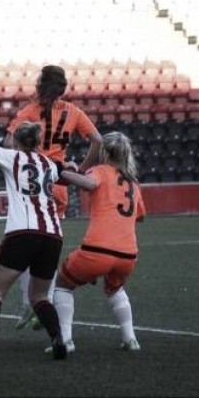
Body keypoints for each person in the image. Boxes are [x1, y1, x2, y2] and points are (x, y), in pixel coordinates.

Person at [5, 65, 103, 329]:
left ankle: (31, 303)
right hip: (58, 183)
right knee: (47, 246)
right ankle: (43, 301)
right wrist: (80, 169)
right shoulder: (73, 112)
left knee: (26, 244)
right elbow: (98, 140)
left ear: (39, 85)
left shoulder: (29, 112)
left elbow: (7, 144)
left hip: (32, 183)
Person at [0, 105, 67, 362]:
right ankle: (58, 338)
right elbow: (67, 174)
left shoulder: (11, 157)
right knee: (41, 296)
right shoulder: (49, 164)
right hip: (52, 234)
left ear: (17, 141)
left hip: (21, 232)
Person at [52, 132, 146, 353]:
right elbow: (140, 216)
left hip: (97, 249)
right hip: (128, 253)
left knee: (63, 285)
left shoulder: (101, 171)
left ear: (103, 152)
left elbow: (89, 183)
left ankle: (65, 339)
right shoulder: (133, 183)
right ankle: (130, 338)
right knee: (115, 289)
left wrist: (62, 172)